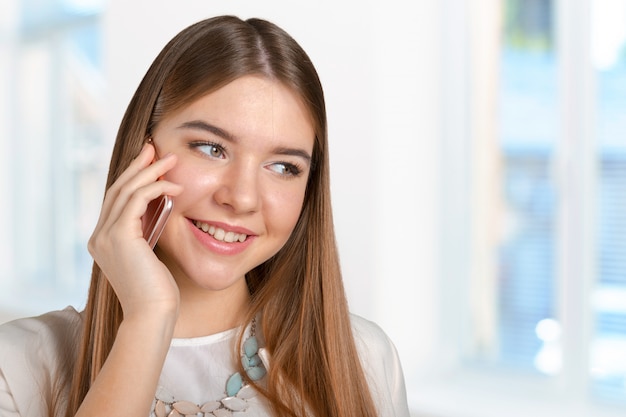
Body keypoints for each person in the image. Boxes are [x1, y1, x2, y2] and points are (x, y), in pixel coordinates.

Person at [0, 15, 409, 417]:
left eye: (284, 166)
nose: (243, 198)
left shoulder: (365, 359)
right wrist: (148, 318)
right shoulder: (18, 367)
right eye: (212, 148)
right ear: (144, 152)